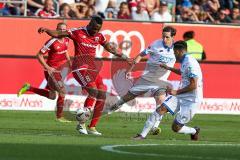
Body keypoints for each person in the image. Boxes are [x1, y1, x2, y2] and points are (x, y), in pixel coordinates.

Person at [38, 16, 129, 136]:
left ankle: (92, 127)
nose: (96, 31)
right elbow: (59, 33)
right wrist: (46, 29)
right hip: (80, 68)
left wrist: (126, 58)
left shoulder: (99, 36)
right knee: (94, 92)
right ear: (90, 24)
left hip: (92, 68)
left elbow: (111, 49)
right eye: (94, 28)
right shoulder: (77, 32)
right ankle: (81, 124)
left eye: (98, 29)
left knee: (102, 93)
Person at [109, 26, 176, 135]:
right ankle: (116, 105)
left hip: (160, 81)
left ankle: (155, 127)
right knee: (128, 97)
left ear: (173, 37)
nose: (164, 39)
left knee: (161, 102)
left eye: (167, 37)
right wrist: (130, 70)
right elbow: (141, 55)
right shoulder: (155, 44)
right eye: (163, 36)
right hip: (147, 79)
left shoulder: (176, 48)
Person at [134, 40, 203, 141]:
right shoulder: (185, 60)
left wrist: (176, 92)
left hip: (192, 100)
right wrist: (168, 68)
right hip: (181, 95)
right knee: (160, 109)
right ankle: (142, 135)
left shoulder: (190, 63)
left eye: (174, 52)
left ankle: (194, 131)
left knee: (176, 128)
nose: (174, 55)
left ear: (179, 51)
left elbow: (193, 85)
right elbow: (182, 72)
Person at [18, 22, 71, 123]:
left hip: (59, 70)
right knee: (62, 91)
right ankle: (60, 117)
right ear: (56, 30)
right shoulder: (52, 42)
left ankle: (28, 88)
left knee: (52, 96)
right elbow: (39, 55)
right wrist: (47, 67)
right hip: (51, 70)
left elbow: (65, 51)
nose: (62, 31)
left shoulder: (67, 39)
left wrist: (69, 62)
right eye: (60, 29)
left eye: (64, 29)